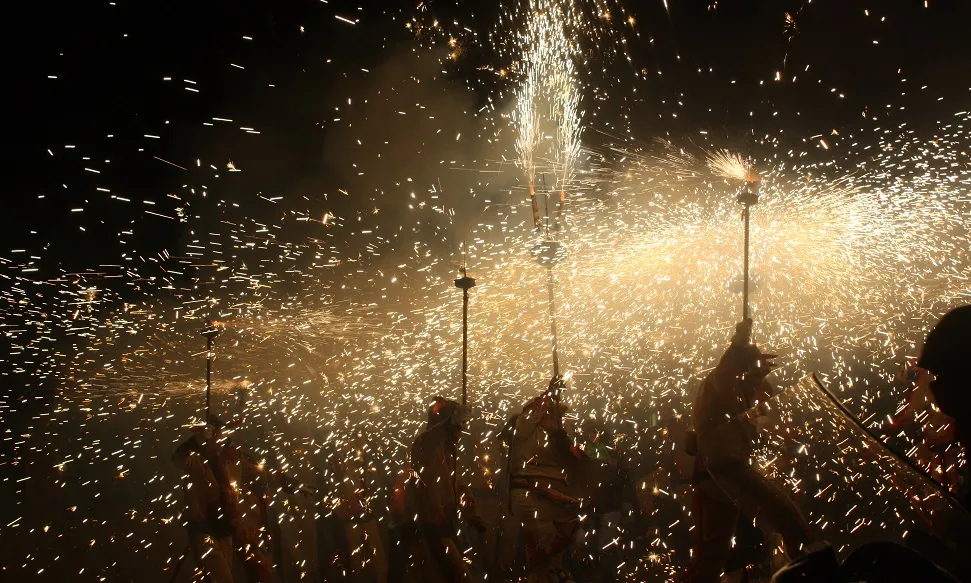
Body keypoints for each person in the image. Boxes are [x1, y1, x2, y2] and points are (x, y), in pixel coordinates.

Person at [679, 319, 814, 583]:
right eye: (758, 375)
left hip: (728, 475)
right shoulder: (721, 385)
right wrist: (739, 341)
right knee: (791, 522)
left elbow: (764, 429)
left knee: (711, 559)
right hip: (722, 475)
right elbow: (725, 372)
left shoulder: (742, 393)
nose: (762, 384)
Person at [508, 376, 585, 583]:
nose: (556, 419)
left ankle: (551, 573)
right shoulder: (526, 428)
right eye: (553, 414)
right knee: (548, 543)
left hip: (552, 496)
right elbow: (528, 418)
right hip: (530, 495)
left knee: (550, 554)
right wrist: (549, 396)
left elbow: (575, 459)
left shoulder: (556, 436)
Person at [406, 397, 484, 583]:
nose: (462, 429)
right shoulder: (425, 445)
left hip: (445, 525)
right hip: (429, 528)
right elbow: (432, 437)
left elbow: (455, 484)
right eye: (458, 425)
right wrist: (450, 420)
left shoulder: (447, 450)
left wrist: (471, 513)